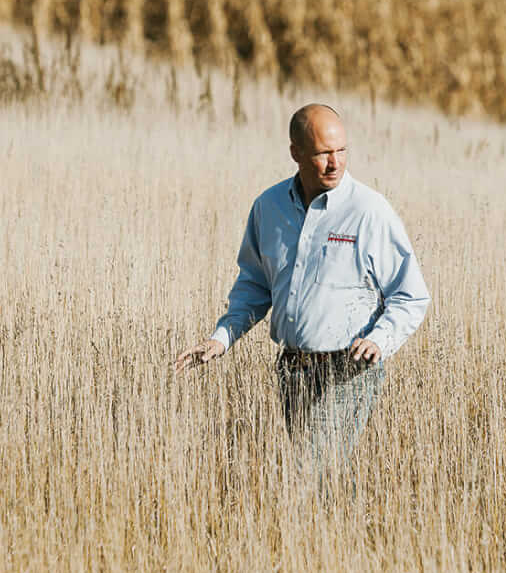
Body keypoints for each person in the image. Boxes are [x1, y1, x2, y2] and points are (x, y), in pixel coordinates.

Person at [175, 103, 429, 486]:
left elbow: (411, 295)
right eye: (323, 153)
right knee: (323, 482)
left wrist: (381, 339)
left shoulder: (369, 211)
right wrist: (221, 338)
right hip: (292, 370)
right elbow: (255, 286)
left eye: (341, 150)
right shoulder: (269, 207)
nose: (335, 163)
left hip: (349, 370)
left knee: (310, 472)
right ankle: (346, 542)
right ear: (295, 153)